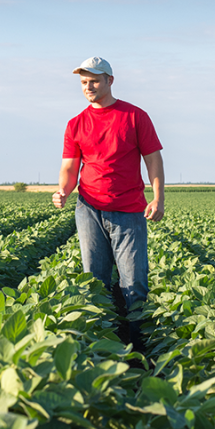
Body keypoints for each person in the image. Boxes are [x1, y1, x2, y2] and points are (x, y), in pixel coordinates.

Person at [52, 56, 164, 352]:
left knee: (134, 283)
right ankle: (102, 346)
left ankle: (141, 350)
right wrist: (63, 190)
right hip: (88, 208)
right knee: (94, 282)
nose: (88, 87)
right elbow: (69, 167)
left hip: (128, 210)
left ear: (110, 81)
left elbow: (152, 158)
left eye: (94, 81)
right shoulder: (76, 124)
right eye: (84, 82)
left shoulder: (135, 116)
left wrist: (158, 198)